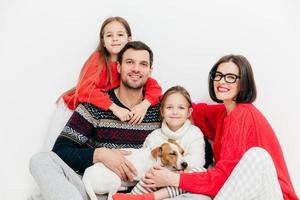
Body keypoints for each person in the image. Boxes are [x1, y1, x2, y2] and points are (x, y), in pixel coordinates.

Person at [118, 54, 298, 200]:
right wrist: (139, 87)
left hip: (270, 194)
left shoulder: (243, 114)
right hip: (241, 194)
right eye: (218, 76)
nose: (222, 81)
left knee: (257, 156)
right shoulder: (222, 113)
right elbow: (179, 105)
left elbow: (223, 177)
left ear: (243, 83)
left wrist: (173, 178)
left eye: (231, 77)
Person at [29, 41, 161, 200]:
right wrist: (100, 154)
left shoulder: (159, 110)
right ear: (118, 67)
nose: (136, 69)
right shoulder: (96, 105)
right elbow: (61, 152)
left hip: (140, 194)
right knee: (41, 160)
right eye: (129, 62)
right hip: (90, 191)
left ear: (150, 71)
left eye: (143, 64)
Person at [44, 16, 161, 151]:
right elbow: (84, 90)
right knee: (51, 152)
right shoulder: (98, 60)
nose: (115, 39)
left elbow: (154, 87)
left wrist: (144, 105)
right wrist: (114, 107)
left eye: (120, 34)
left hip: (94, 114)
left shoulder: (129, 68)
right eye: (109, 35)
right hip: (72, 109)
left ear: (129, 39)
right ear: (103, 41)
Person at [113, 86, 212, 200]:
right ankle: (134, 196)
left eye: (181, 108)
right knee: (150, 174)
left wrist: (169, 175)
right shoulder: (154, 136)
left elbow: (196, 163)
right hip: (156, 183)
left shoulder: (194, 133)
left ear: (189, 112)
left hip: (181, 184)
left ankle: (148, 197)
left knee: (200, 173)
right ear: (162, 111)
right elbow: (147, 164)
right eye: (169, 107)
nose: (175, 112)